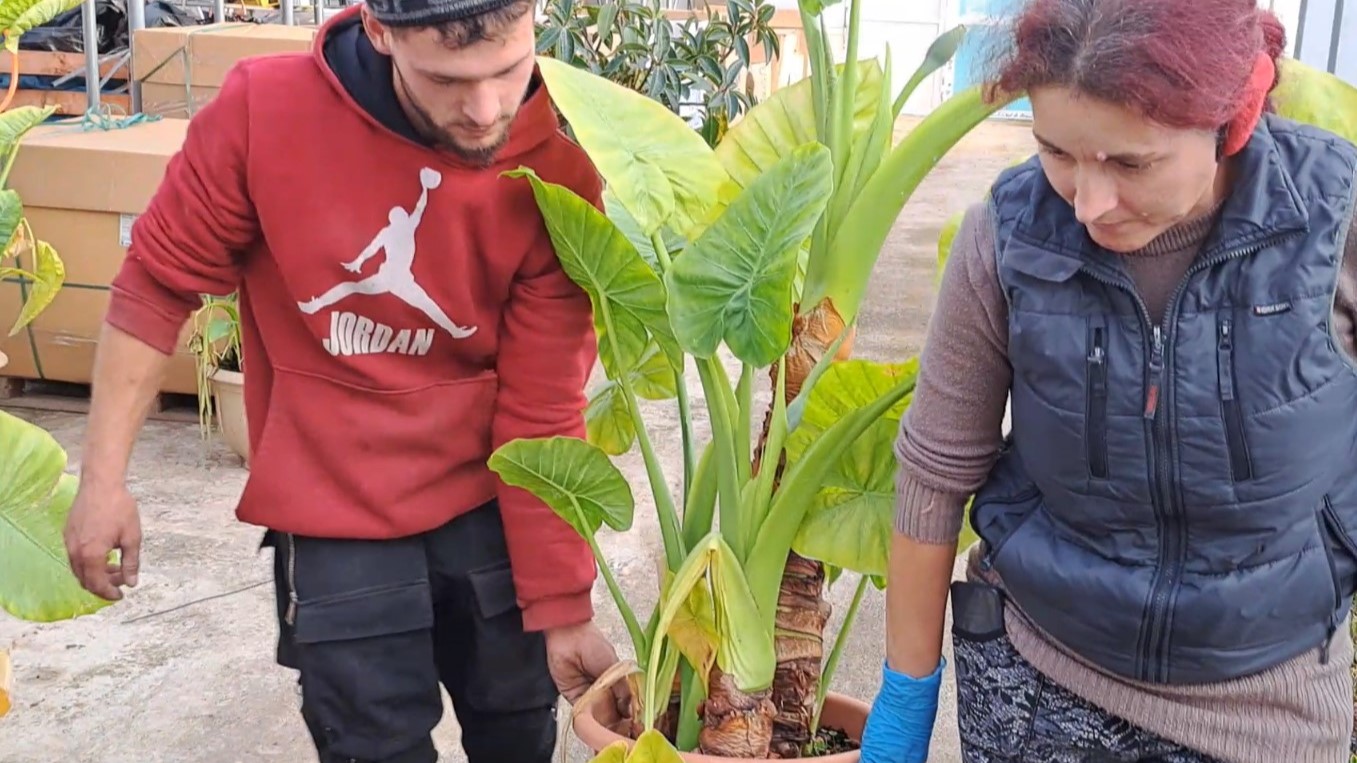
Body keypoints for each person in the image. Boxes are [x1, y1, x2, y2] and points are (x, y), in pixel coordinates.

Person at [59, 0, 631, 761]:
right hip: (333, 509)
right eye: (447, 79)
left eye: (508, 68)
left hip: (494, 498)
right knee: (370, 744)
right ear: (380, 31)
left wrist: (562, 605)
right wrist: (101, 481)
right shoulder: (267, 113)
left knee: (519, 730)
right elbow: (157, 284)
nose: (484, 108)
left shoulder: (560, 160)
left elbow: (541, 405)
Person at [860, 0, 1357, 761]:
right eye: (1055, 152)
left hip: (1267, 705)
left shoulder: (1334, 222)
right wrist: (905, 699)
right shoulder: (1008, 235)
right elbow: (933, 474)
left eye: (1130, 163)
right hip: (1036, 679)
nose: (1088, 204)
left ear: (1235, 118)